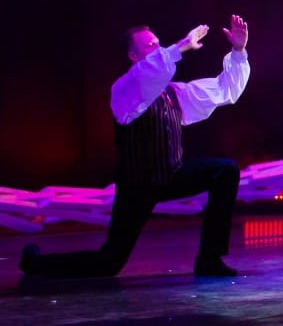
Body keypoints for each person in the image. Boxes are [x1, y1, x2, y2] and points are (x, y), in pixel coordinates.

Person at [20, 16, 250, 278]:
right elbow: (146, 75)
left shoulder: (174, 93)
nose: (158, 48)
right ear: (133, 56)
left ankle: (209, 259)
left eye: (158, 43)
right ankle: (36, 264)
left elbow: (224, 90)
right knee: (109, 262)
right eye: (150, 46)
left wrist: (238, 51)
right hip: (138, 186)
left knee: (225, 170)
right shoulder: (124, 90)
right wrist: (180, 47)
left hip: (171, 176)